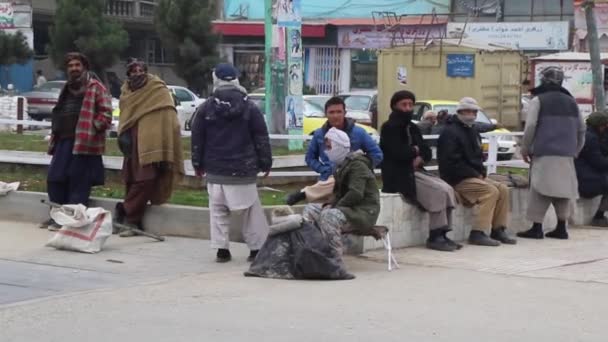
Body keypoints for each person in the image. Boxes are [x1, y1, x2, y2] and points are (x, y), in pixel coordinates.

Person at [191, 63, 272, 263]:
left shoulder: (205, 108)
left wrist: (197, 164)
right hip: (243, 169)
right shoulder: (250, 107)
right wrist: (265, 163)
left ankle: (222, 250)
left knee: (217, 210)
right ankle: (255, 249)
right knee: (251, 211)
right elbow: (261, 136)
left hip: (215, 168)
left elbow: (197, 138)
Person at [40, 52, 112, 230]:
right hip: (64, 141)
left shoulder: (96, 87)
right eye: (70, 66)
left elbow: (106, 114)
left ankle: (72, 221)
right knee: (55, 178)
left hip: (85, 143)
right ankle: (58, 217)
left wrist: (92, 128)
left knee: (78, 181)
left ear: (84, 67)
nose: (74, 69)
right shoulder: (67, 88)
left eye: (77, 65)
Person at [381, 91, 460, 252]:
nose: (408, 108)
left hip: (416, 171)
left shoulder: (413, 127)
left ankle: (443, 233)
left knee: (447, 189)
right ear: (395, 106)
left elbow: (426, 152)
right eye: (404, 105)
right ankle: (434, 236)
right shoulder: (389, 128)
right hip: (399, 175)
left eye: (410, 104)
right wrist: (414, 150)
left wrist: (420, 156)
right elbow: (397, 153)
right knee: (438, 191)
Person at [114, 58, 184, 237]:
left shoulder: (158, 90)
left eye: (141, 70)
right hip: (132, 142)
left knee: (146, 179)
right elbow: (125, 117)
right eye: (133, 71)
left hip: (153, 142)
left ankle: (125, 210)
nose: (138, 74)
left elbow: (169, 114)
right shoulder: (126, 92)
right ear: (128, 74)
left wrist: (165, 138)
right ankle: (133, 223)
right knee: (132, 180)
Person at [437, 97, 517, 247]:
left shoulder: (471, 129)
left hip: (473, 175)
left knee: (503, 189)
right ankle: (477, 233)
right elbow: (450, 163)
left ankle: (498, 229)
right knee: (491, 191)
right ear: (459, 112)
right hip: (457, 179)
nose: (471, 115)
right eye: (467, 111)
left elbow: (477, 156)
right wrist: (475, 174)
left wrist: (480, 172)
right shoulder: (450, 132)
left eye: (473, 112)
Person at [518, 67, 586, 240]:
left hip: (544, 152)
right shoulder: (572, 102)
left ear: (544, 80)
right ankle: (561, 228)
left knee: (539, 189)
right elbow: (581, 129)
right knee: (563, 191)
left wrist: (525, 149)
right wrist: (575, 151)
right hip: (567, 155)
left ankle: (536, 228)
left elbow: (531, 126)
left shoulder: (538, 100)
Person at [302, 127, 380, 268]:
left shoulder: (357, 165)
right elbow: (338, 193)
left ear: (338, 145)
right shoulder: (342, 165)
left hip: (363, 212)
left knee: (329, 216)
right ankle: (313, 251)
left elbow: (355, 194)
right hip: (349, 210)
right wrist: (330, 203)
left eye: (329, 147)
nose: (326, 151)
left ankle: (335, 261)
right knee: (311, 209)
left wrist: (334, 206)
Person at [285, 97, 383, 205]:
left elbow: (377, 154)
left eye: (339, 112)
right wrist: (323, 169)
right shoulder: (319, 134)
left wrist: (360, 165)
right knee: (315, 211)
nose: (335, 115)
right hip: (327, 179)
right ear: (325, 114)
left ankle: (304, 193)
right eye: (331, 112)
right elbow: (310, 158)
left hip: (353, 179)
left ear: (344, 113)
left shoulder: (359, 133)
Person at [575, 112, 608, 227]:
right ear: (600, 126)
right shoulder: (590, 138)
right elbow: (598, 162)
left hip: (586, 175)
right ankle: (599, 216)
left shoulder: (590, 135)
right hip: (586, 179)